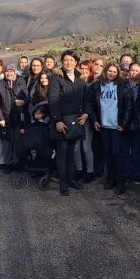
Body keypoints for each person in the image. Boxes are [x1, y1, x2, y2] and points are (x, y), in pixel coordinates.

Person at [48, 50, 90, 196]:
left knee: (72, 151)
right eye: (66, 60)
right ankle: (63, 183)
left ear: (76, 62)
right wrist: (57, 120)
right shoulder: (56, 77)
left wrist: (86, 113)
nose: (68, 62)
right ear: (62, 61)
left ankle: (71, 179)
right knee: (62, 152)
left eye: (71, 60)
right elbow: (52, 100)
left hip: (76, 120)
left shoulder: (80, 78)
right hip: (62, 122)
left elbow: (86, 98)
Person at [89, 63, 134, 194]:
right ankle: (110, 178)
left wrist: (124, 124)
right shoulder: (97, 86)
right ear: (105, 71)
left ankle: (121, 181)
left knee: (117, 154)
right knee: (107, 154)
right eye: (110, 71)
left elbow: (129, 107)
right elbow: (92, 104)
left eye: (114, 72)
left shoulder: (122, 87)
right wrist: (95, 120)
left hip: (116, 127)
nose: (112, 73)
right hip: (103, 126)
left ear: (118, 73)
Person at [0, 63, 29, 173]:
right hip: (5, 118)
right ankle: (8, 163)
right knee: (7, 143)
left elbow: (27, 98)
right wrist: (0, 118)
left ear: (14, 72)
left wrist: (23, 101)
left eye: (11, 71)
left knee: (17, 141)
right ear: (4, 72)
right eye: (7, 71)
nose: (9, 73)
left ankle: (16, 163)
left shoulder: (21, 83)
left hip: (18, 118)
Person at [74, 60, 96, 182]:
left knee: (86, 147)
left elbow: (94, 105)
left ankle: (89, 171)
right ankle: (79, 169)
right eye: (81, 68)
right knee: (76, 147)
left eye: (86, 69)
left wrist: (88, 115)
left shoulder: (94, 85)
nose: (83, 71)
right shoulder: (76, 83)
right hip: (76, 118)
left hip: (88, 119)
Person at [123, 62, 140, 184]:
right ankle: (125, 174)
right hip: (125, 122)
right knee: (124, 150)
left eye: (136, 71)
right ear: (128, 72)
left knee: (136, 150)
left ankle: (135, 174)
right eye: (132, 70)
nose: (134, 72)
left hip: (138, 122)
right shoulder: (122, 85)